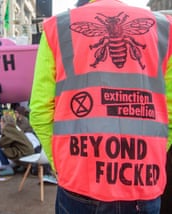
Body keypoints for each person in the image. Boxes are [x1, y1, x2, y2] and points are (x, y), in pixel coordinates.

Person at [29, 0, 172, 213]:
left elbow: (40, 112)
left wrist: (63, 165)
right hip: (143, 181)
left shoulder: (56, 28)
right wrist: (153, 156)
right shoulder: (164, 28)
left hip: (79, 180)